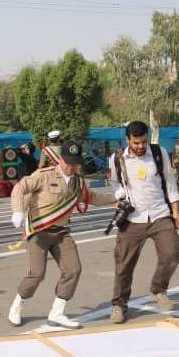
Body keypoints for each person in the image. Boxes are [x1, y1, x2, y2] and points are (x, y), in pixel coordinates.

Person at [8, 140, 114, 328]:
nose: (71, 167)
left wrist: (116, 199)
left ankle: (57, 312)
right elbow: (20, 188)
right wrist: (17, 211)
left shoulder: (77, 182)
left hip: (61, 233)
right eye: (69, 162)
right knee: (37, 273)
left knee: (73, 269)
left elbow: (93, 198)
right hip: (39, 232)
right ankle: (17, 305)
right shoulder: (43, 175)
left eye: (76, 163)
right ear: (61, 159)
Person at [109, 122, 179, 324]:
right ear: (127, 140)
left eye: (143, 142)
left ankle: (159, 289)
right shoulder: (117, 159)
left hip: (160, 214)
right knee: (123, 265)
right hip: (132, 219)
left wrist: (176, 211)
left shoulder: (159, 154)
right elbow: (115, 182)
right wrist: (120, 195)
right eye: (136, 143)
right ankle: (119, 305)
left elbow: (169, 181)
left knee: (172, 253)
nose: (141, 146)